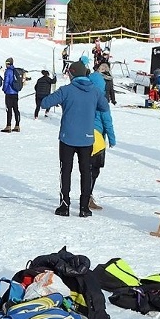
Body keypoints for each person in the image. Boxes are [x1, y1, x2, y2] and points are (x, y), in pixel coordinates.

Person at [40, 61, 112, 217]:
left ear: (72, 74)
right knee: (85, 172)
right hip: (87, 138)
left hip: (67, 137)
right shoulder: (94, 91)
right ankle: (84, 208)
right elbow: (105, 107)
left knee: (65, 171)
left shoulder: (66, 90)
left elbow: (45, 103)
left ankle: (64, 206)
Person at [87, 89, 117, 211]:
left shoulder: (87, 100)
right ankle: (88, 197)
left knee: (87, 168)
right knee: (94, 170)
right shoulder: (103, 104)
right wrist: (112, 139)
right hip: (97, 138)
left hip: (84, 136)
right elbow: (108, 123)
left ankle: (86, 196)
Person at [1, 58, 24, 133]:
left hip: (9, 92)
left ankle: (8, 126)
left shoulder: (8, 71)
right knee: (16, 109)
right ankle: (17, 125)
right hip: (15, 92)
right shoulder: (16, 70)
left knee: (9, 109)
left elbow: (6, 81)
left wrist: (4, 89)